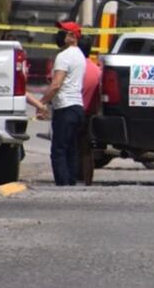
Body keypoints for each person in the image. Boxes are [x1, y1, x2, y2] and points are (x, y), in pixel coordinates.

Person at [38, 20, 86, 186]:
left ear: (72, 36)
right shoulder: (80, 55)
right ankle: (71, 182)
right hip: (78, 108)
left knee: (58, 150)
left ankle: (63, 185)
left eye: (62, 32)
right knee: (71, 149)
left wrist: (42, 102)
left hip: (65, 108)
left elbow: (56, 84)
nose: (58, 35)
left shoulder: (63, 56)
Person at [77, 37, 101, 185]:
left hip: (74, 111)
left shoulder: (75, 68)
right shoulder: (97, 70)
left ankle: (72, 178)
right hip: (90, 115)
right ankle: (87, 180)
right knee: (87, 151)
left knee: (70, 148)